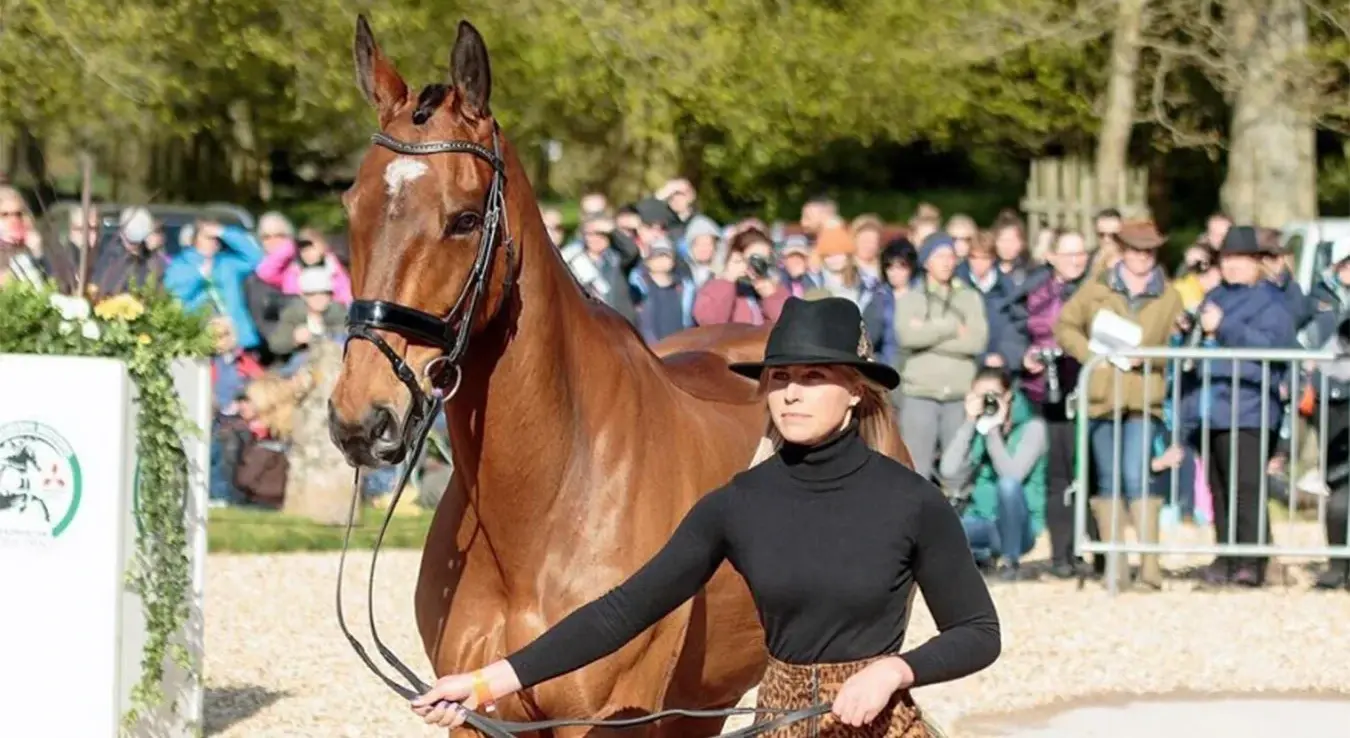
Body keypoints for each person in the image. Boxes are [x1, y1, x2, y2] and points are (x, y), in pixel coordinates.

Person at [410, 297, 1002, 735]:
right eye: (780, 377)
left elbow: (978, 632)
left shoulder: (911, 501)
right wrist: (486, 682)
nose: (792, 393)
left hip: (881, 726)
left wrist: (895, 672)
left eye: (814, 377)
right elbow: (625, 609)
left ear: (855, 391)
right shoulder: (739, 502)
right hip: (780, 726)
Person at [939, 367, 1048, 581]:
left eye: (994, 396)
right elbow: (948, 471)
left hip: (1020, 529)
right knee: (936, 532)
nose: (988, 402)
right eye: (981, 397)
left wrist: (993, 431)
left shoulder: (1033, 428)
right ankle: (982, 556)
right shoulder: (975, 428)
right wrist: (969, 423)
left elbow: (1012, 475)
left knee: (1007, 486)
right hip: (982, 521)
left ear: (1008, 396)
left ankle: (1010, 562)